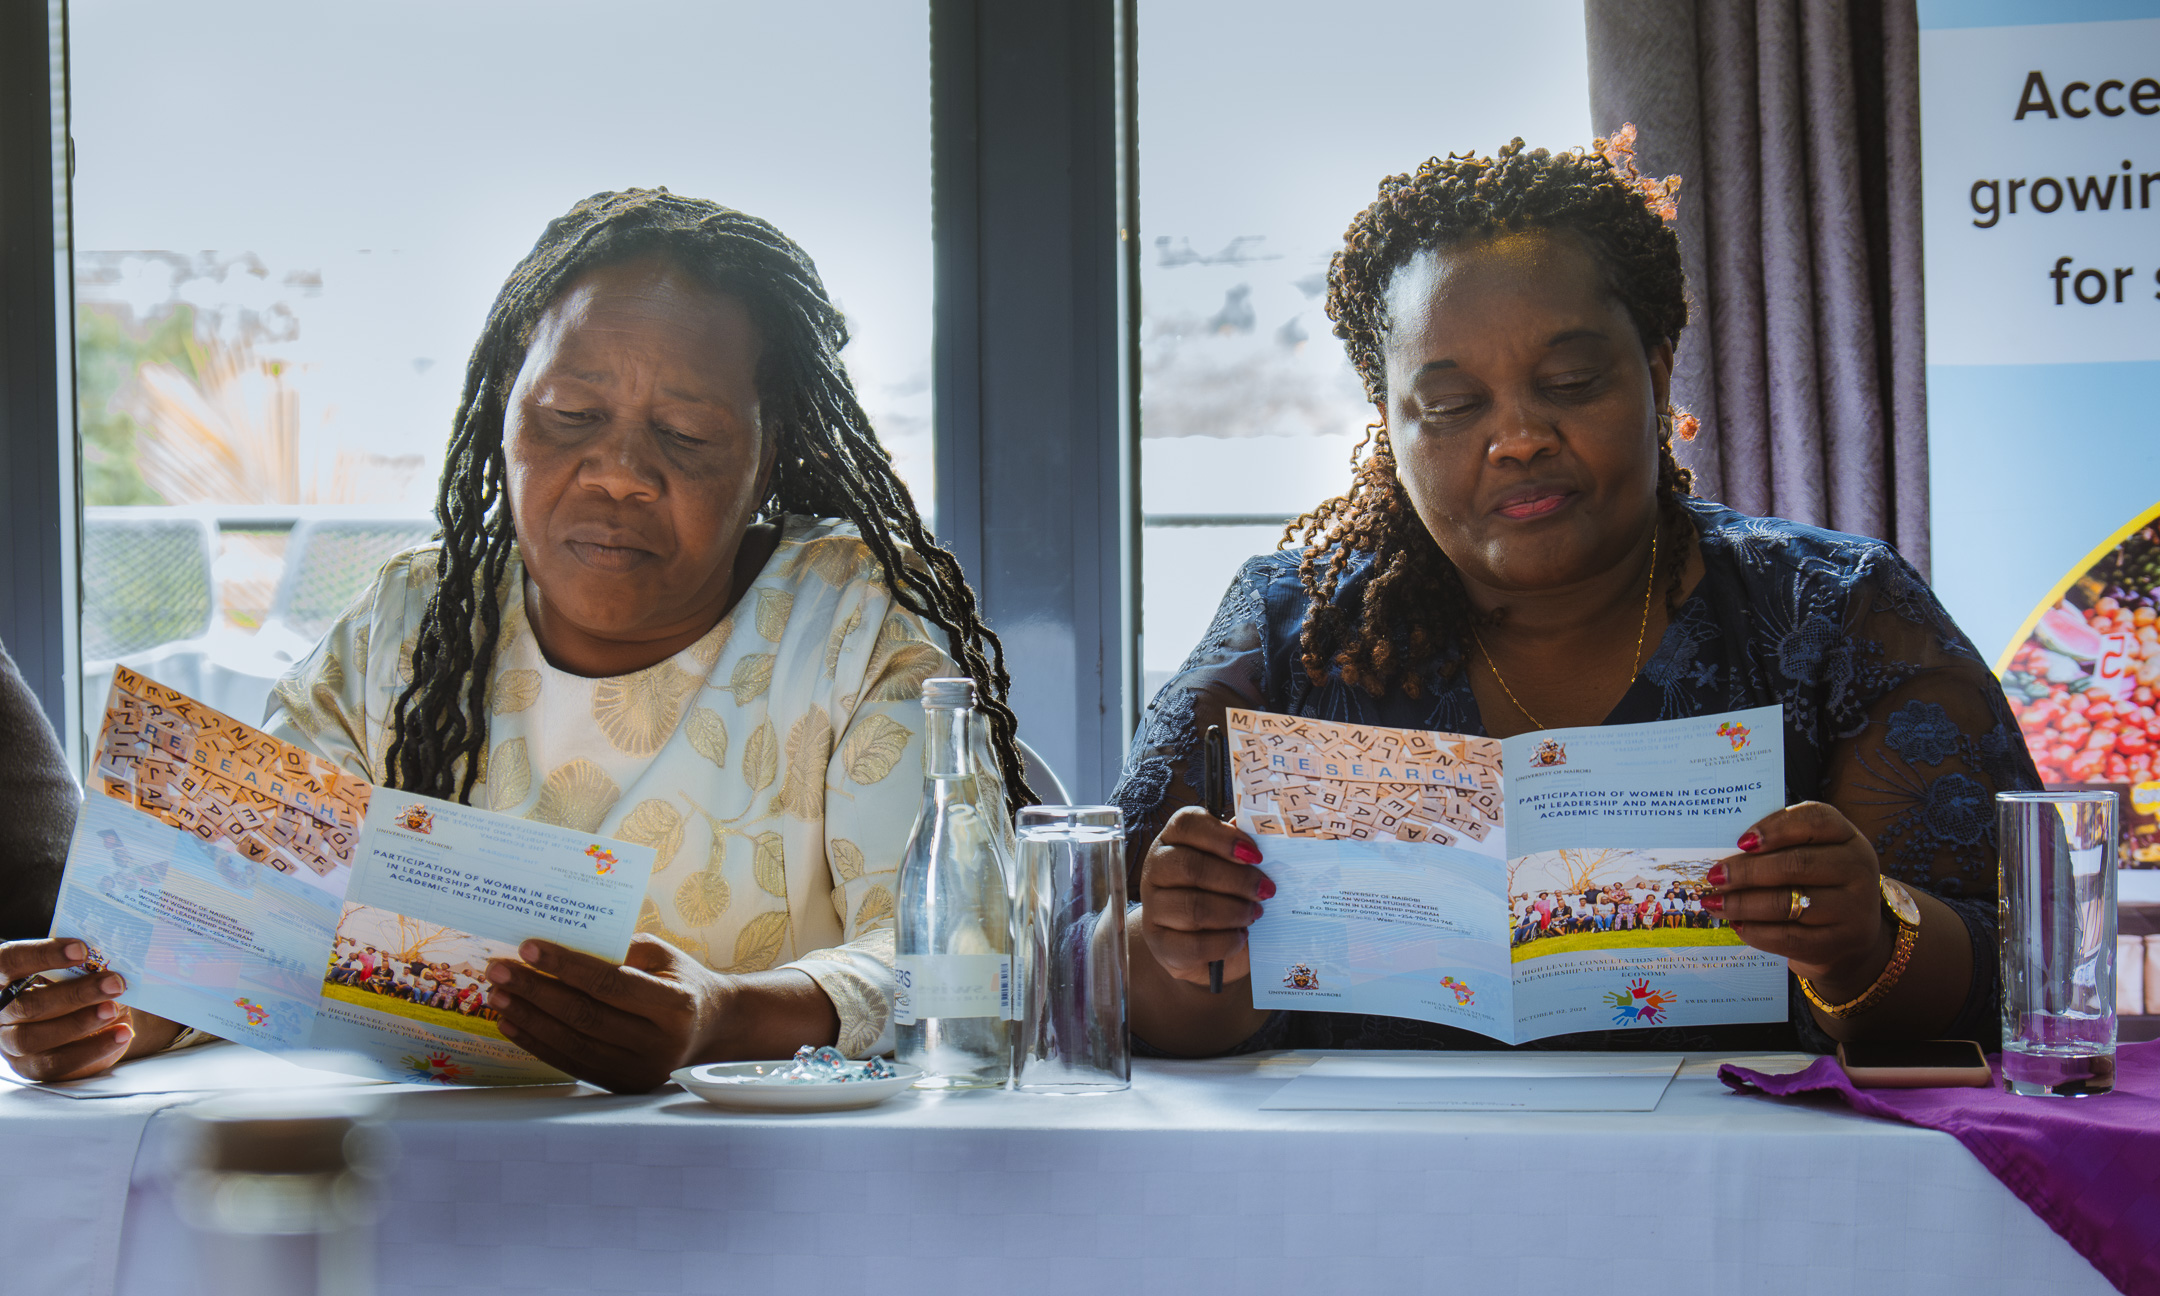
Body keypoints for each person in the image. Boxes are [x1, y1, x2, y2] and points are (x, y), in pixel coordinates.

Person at [7, 189, 1030, 1090]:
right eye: (571, 413)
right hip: (430, 1181)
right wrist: (114, 1013)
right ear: (505, 413)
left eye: (686, 436)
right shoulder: (411, 626)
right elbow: (254, 913)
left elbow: (953, 949)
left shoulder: (854, 624)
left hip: (778, 1183)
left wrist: (725, 1017)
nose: (619, 472)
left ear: (769, 459)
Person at [1117, 130, 2040, 1057]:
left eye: (1569, 382)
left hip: (1746, 1151)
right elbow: (1093, 986)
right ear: (1388, 424)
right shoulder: (1287, 635)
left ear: (1657, 375)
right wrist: (1186, 951)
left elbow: (2024, 975)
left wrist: (1867, 941)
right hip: (1363, 1155)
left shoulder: (1835, 615)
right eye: (1451, 405)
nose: (1519, 437)